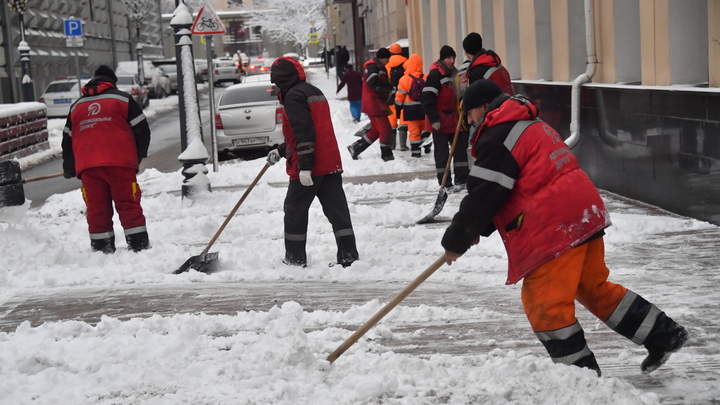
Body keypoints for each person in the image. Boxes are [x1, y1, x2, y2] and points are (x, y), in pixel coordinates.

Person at [441, 79, 688, 377]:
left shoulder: (498, 134)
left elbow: (483, 195)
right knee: (593, 288)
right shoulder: (527, 123)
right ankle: (664, 335)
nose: (468, 121)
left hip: (557, 225)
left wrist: (458, 239)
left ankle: (583, 379)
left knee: (545, 305)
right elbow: (516, 186)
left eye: (468, 114)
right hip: (584, 212)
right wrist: (478, 229)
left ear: (482, 107)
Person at [267, 57, 359, 268]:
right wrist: (281, 151)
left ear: (281, 80)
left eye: (276, 82)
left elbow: (305, 132)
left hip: (311, 165)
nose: (275, 87)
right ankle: (348, 256)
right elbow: (308, 130)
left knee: (294, 210)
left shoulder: (293, 96)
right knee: (338, 212)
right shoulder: (312, 91)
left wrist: (305, 167)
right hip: (329, 162)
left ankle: (295, 259)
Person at [61, 65, 151, 254]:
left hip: (88, 167)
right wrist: (137, 157)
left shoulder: (77, 106)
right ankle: (139, 246)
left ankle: (102, 249)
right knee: (128, 204)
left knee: (96, 209)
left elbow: (67, 141)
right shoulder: (122, 99)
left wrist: (70, 168)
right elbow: (142, 131)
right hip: (120, 164)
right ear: (112, 82)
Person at [421, 45, 468, 188]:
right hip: (440, 122)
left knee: (460, 152)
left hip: (455, 121)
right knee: (442, 155)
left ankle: (461, 180)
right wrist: (434, 118)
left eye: (454, 58)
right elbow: (426, 98)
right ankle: (445, 183)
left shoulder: (455, 74)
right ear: (442, 59)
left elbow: (459, 95)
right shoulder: (436, 75)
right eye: (449, 58)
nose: (452, 61)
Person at [347, 47, 396, 162]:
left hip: (375, 103)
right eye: (388, 58)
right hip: (375, 104)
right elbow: (373, 83)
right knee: (385, 129)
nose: (389, 61)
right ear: (383, 58)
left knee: (376, 130)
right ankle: (386, 155)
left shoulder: (377, 67)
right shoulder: (373, 67)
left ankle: (355, 148)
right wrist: (388, 87)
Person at [394, 54, 426, 157]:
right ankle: (426, 144)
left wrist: (398, 109)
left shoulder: (404, 79)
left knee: (414, 131)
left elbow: (399, 96)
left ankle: (416, 152)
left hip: (410, 109)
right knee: (424, 127)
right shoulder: (426, 77)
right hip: (424, 108)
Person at [386, 43, 408, 151]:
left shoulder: (387, 64)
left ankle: (392, 145)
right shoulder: (406, 62)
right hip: (403, 95)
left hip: (390, 96)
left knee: (392, 120)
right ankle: (403, 145)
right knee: (403, 119)